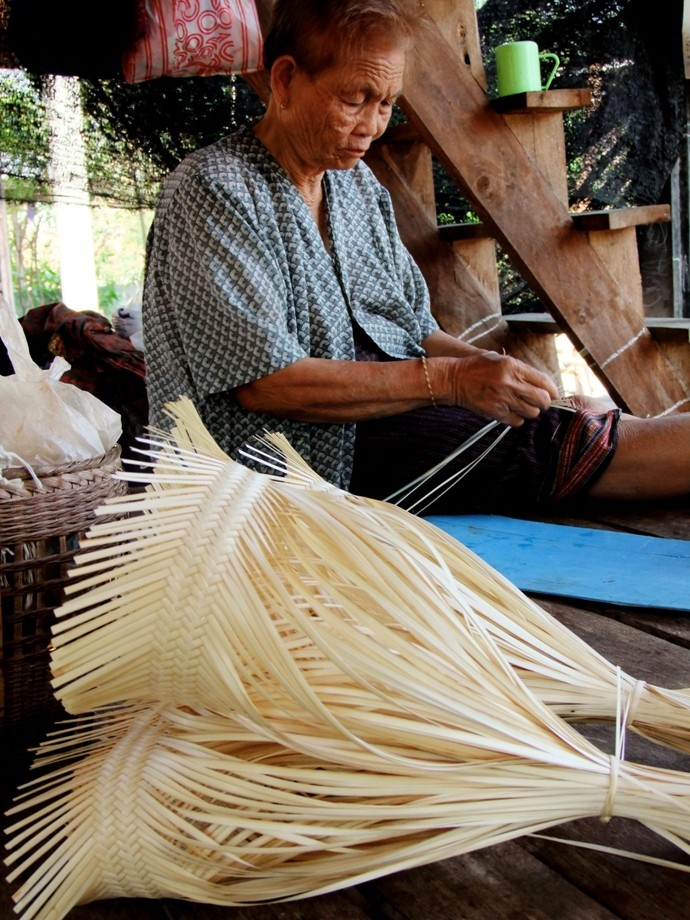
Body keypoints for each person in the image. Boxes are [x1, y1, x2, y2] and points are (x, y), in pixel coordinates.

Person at [143, 0, 690, 515]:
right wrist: (453, 383)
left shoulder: (356, 186)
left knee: (553, 417)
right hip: (276, 462)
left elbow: (415, 333)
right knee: (545, 445)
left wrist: (510, 379)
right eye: (354, 98)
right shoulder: (214, 190)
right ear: (285, 79)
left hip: (377, 416)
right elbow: (266, 384)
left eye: (386, 104)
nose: (373, 125)